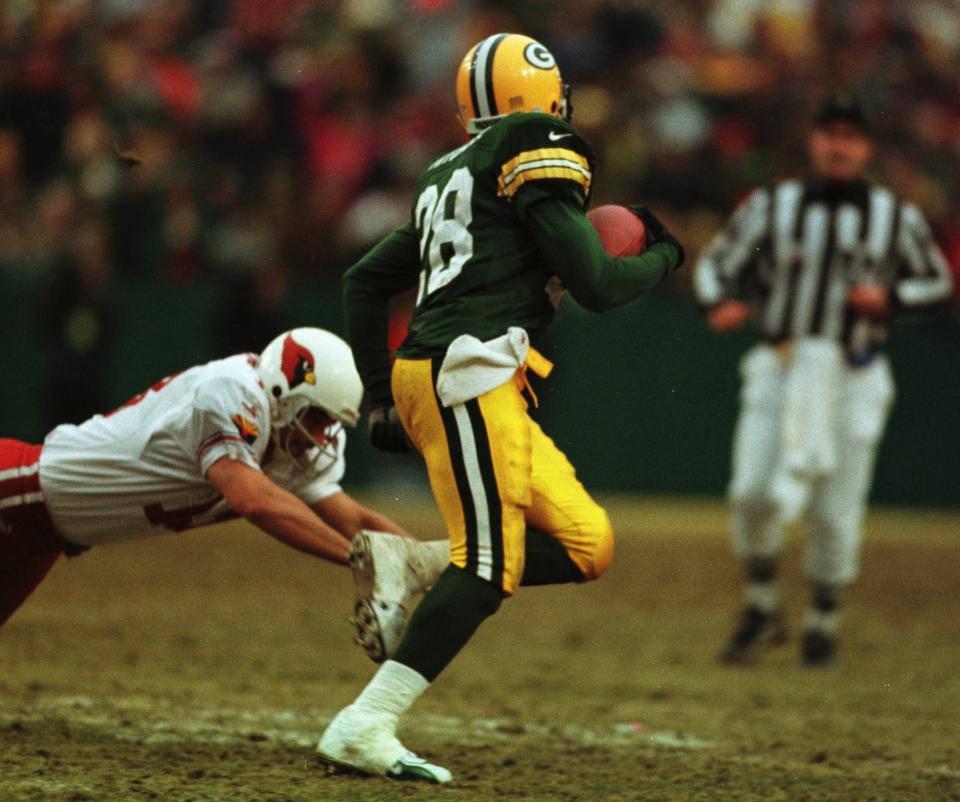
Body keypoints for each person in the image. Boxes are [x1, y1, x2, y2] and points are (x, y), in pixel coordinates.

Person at [317, 33, 684, 783]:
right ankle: (365, 722)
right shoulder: (538, 141)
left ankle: (416, 561)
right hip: (465, 376)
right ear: (540, 96)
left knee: (588, 543)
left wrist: (384, 393)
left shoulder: (450, 170)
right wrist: (663, 253)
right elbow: (597, 286)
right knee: (487, 567)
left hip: (462, 378)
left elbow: (362, 279)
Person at [693, 95, 954, 667]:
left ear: (867, 147)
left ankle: (822, 621)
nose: (838, 145)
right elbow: (716, 262)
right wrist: (723, 300)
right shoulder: (773, 206)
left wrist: (890, 299)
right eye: (829, 133)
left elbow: (937, 282)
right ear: (813, 140)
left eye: (850, 135)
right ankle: (762, 608)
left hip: (851, 374)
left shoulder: (895, 217)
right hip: (781, 367)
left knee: (835, 510)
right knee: (752, 491)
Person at [0, 326, 447, 648]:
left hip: (50, 537)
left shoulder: (284, 438)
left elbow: (355, 518)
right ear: (281, 387)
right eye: (316, 417)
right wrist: (361, 560)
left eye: (329, 423)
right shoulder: (231, 391)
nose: (319, 435)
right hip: (18, 485)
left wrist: (433, 568)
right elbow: (253, 501)